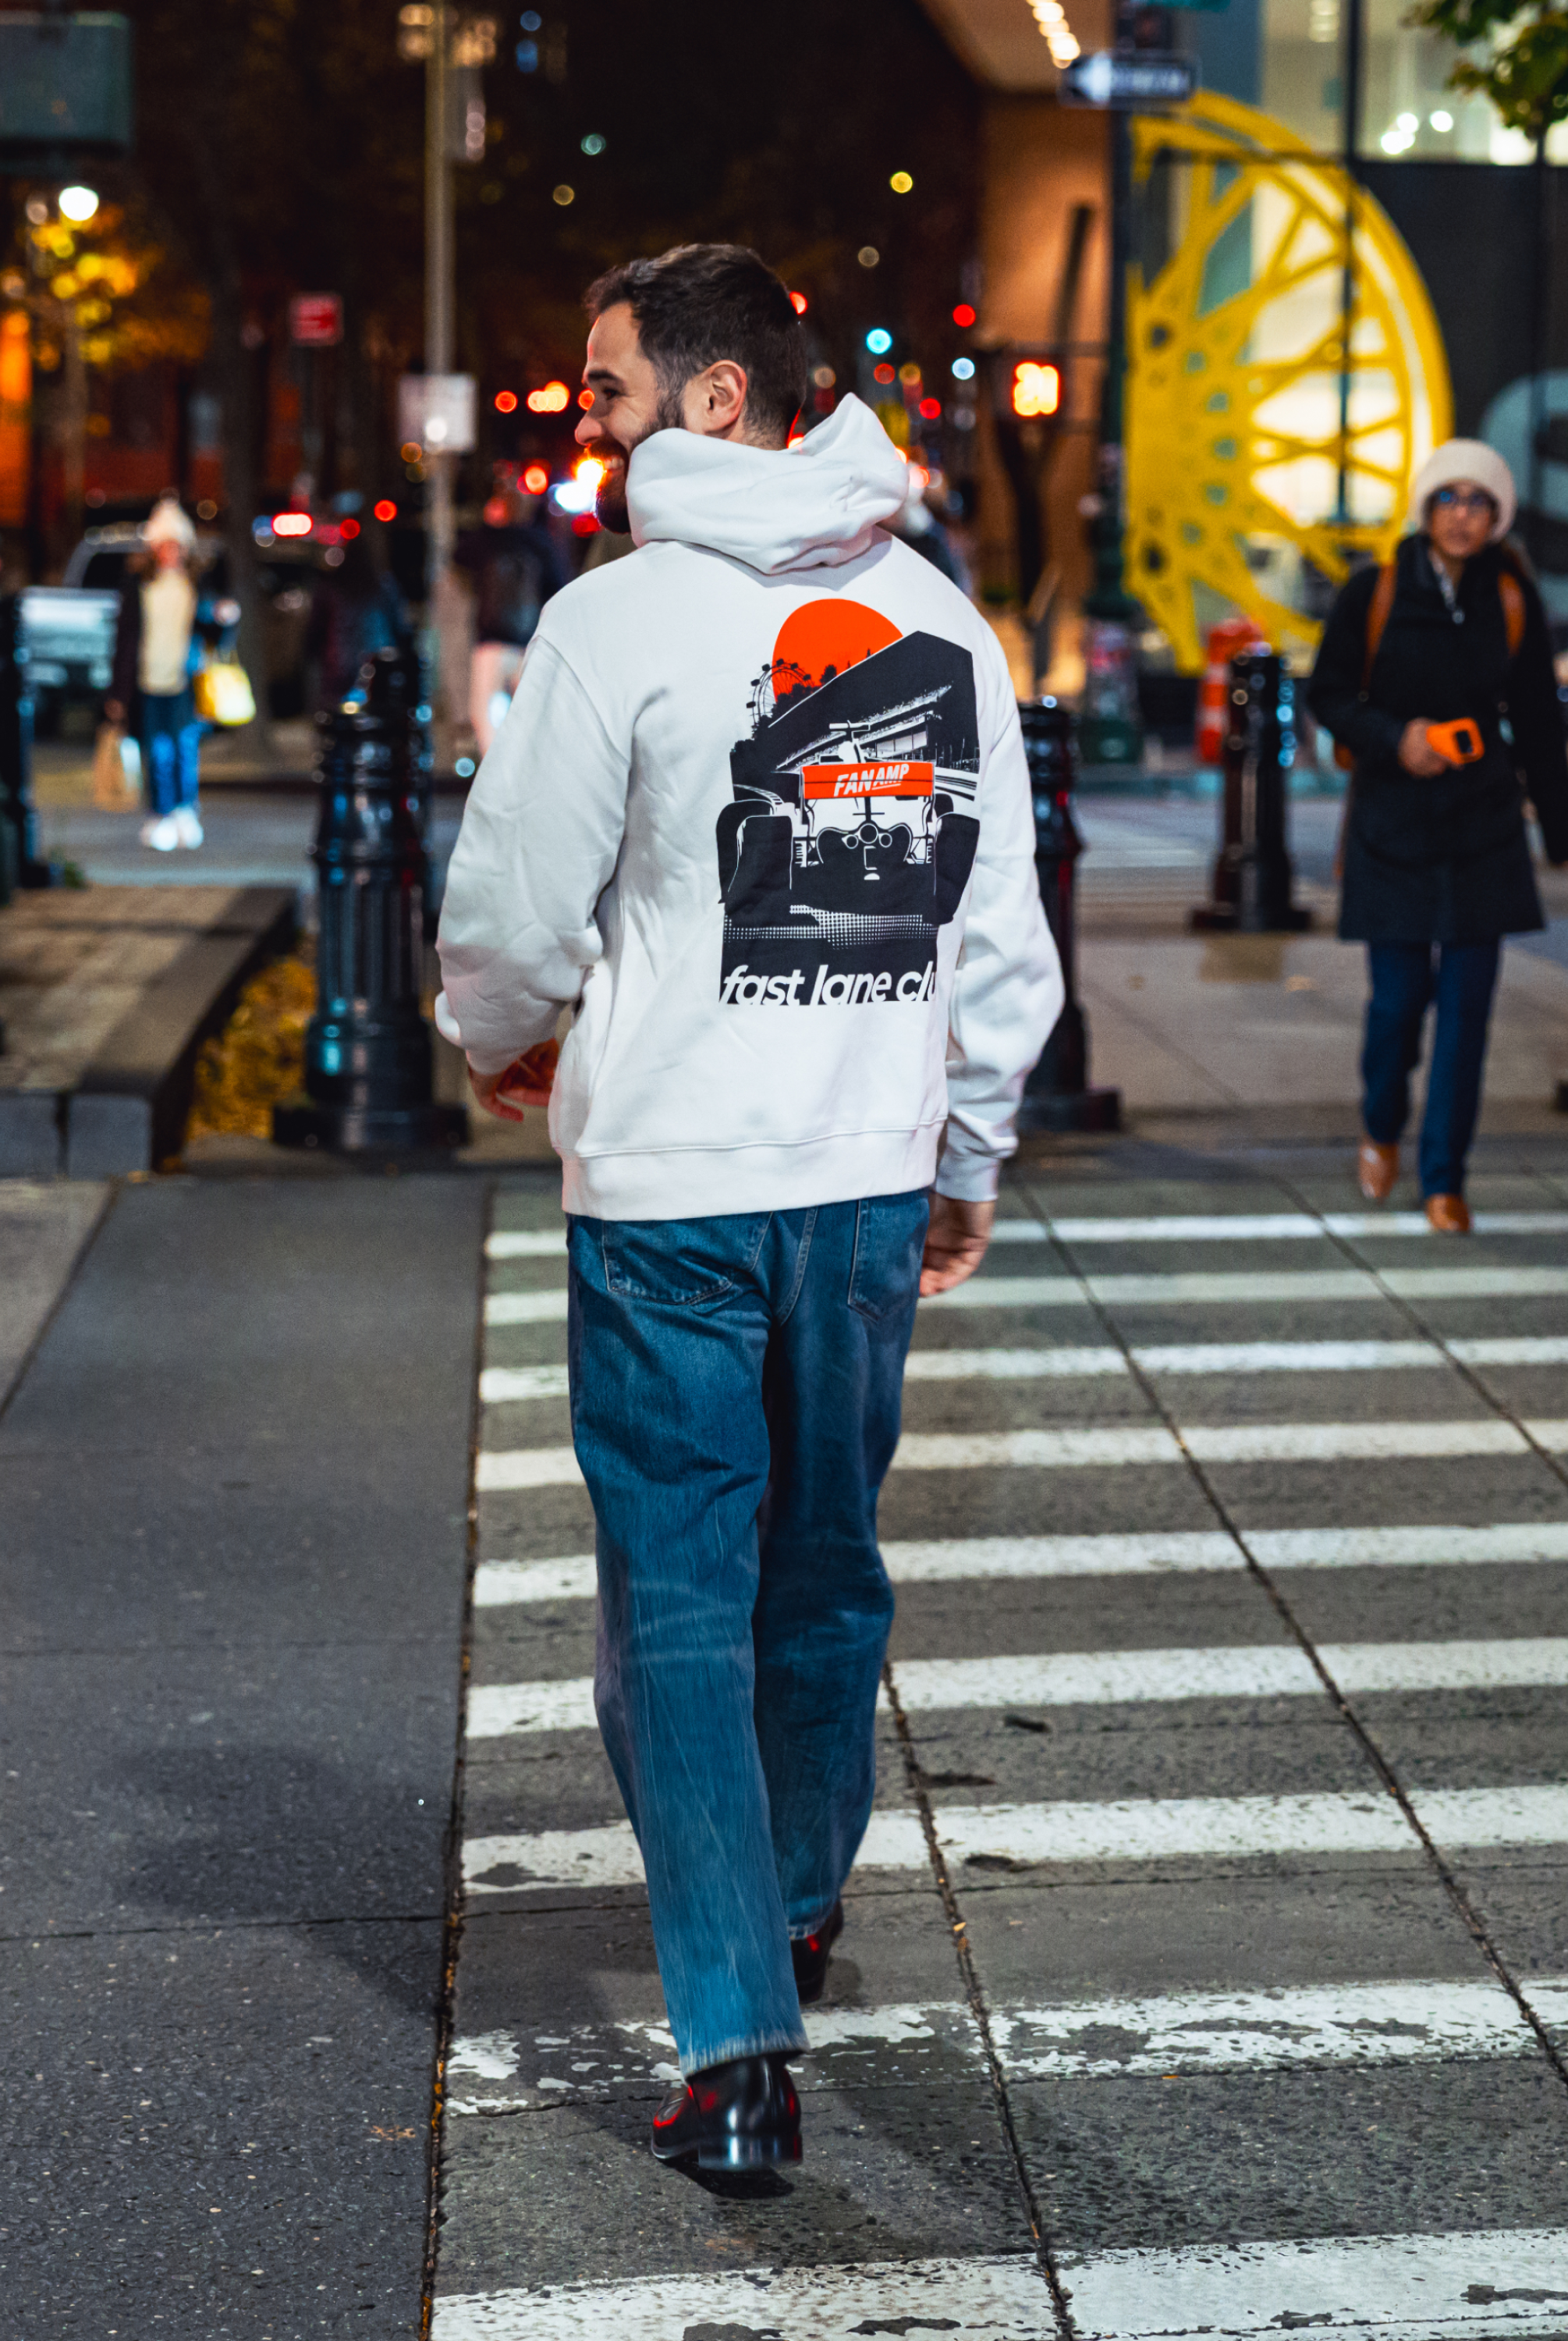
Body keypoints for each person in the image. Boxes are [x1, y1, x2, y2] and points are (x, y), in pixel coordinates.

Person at [435, 243, 1059, 2172]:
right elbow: (1000, 941)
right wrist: (965, 1156)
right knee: (825, 1567)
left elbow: (517, 913)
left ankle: (737, 2039)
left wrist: (499, 1040)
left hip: (674, 1191)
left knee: (682, 1601)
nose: (591, 422)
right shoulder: (942, 621)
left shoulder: (617, 626)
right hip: (863, 1179)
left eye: (610, 387)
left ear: (717, 400)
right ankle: (791, 1887)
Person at [1308, 439, 1568, 1231]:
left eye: (1479, 501)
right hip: (1394, 823)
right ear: (1427, 509)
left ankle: (1444, 1177)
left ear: (1498, 516)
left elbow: (1535, 719)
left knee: (1468, 1011)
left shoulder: (1514, 595)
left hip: (1483, 827)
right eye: (1450, 499)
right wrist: (1399, 738)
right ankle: (1381, 1123)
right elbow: (1328, 695)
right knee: (1397, 1005)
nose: (1463, 514)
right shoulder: (1374, 591)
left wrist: (1558, 832)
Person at [106, 495, 205, 852]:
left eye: (176, 545)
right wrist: (117, 693)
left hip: (184, 681)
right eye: (164, 545)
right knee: (157, 750)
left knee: (185, 748)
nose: (170, 552)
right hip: (147, 680)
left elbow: (210, 632)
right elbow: (124, 639)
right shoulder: (138, 586)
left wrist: (224, 618)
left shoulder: (195, 585)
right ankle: (161, 813)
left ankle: (184, 810)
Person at [455, 481, 565, 753]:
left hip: (492, 643)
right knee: (529, 718)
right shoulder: (541, 543)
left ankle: (496, 779)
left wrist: (489, 525)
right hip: (530, 643)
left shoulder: (489, 540)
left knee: (485, 715)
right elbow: (559, 585)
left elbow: (459, 556)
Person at [305, 535, 409, 709]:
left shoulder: (331, 588)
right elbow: (400, 627)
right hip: (377, 665)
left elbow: (316, 630)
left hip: (339, 668)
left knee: (337, 719)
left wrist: (312, 655)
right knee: (377, 715)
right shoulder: (384, 585)